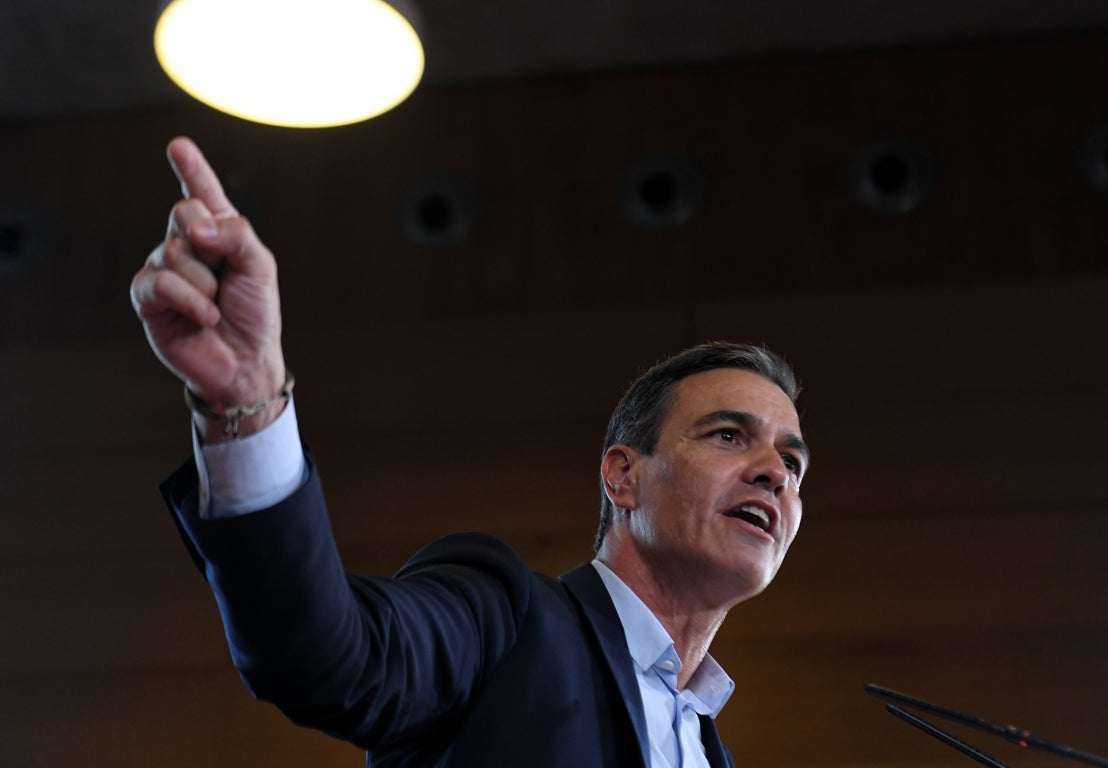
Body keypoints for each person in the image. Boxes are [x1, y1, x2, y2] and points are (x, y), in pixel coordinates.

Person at [130, 137, 810, 767]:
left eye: (792, 462)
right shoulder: (506, 620)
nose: (774, 474)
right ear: (622, 476)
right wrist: (248, 400)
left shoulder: (708, 747)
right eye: (728, 435)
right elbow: (331, 656)